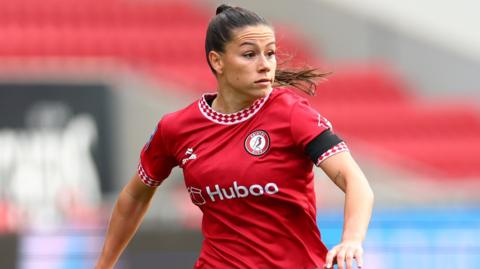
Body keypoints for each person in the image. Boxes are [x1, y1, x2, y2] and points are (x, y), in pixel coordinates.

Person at [95, 4, 374, 269]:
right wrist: (103, 265)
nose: (265, 65)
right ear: (217, 61)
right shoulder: (176, 129)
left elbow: (354, 181)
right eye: (250, 54)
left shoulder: (290, 114)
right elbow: (134, 196)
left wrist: (352, 239)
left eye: (271, 53)